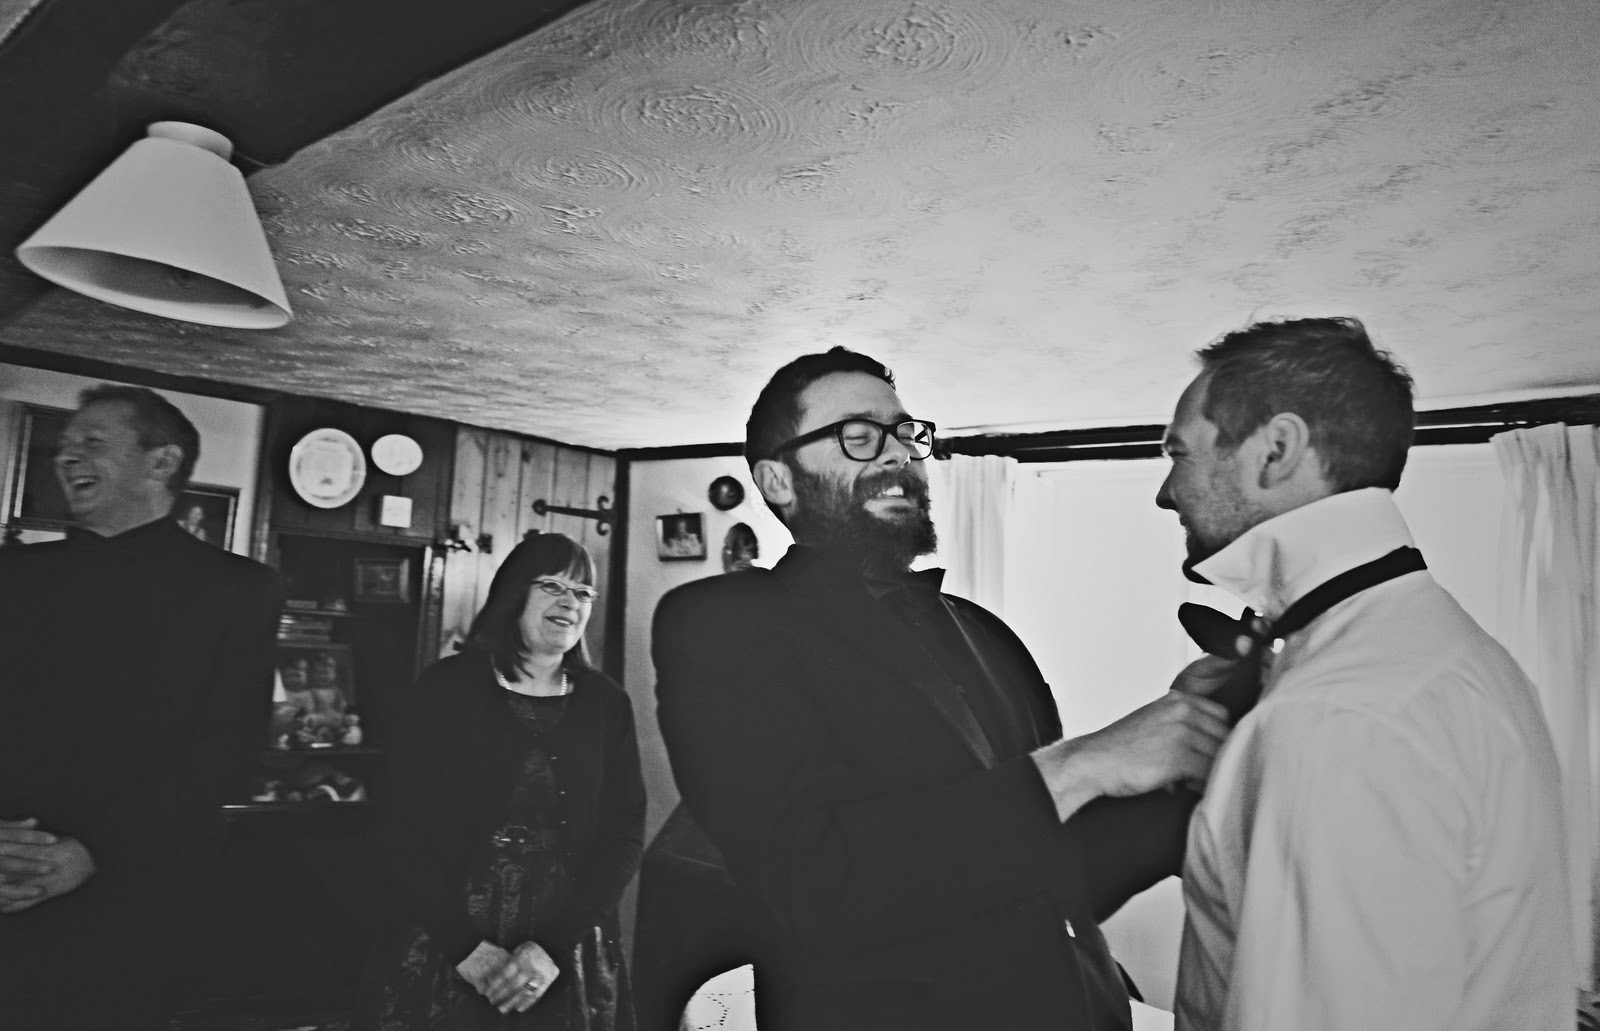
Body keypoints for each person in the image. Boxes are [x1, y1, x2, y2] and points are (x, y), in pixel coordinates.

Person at [651, 346, 1235, 1031]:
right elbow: (814, 885)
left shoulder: (986, 632)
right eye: (859, 435)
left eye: (906, 432)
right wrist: (1083, 762)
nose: (899, 453)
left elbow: (1060, 869)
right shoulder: (723, 623)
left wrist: (1189, 752)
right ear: (779, 479)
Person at [1158, 317, 1573, 1029]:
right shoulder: (1464, 657)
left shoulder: (1337, 717)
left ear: (1276, 451)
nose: (1166, 493)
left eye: (1178, 452)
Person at [0, 384, 281, 1031]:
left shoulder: (238, 589)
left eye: (92, 442)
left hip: (136, 895)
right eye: (64, 445)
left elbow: (229, 748)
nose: (65, 457)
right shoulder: (11, 575)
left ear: (162, 462)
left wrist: (94, 850)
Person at [356, 532, 645, 1030]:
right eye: (552, 586)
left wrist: (552, 948)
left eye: (583, 592)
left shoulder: (606, 702)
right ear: (515, 592)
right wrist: (464, 947)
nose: (570, 603)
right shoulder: (446, 688)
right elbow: (399, 827)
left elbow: (625, 833)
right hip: (448, 932)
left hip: (563, 942)